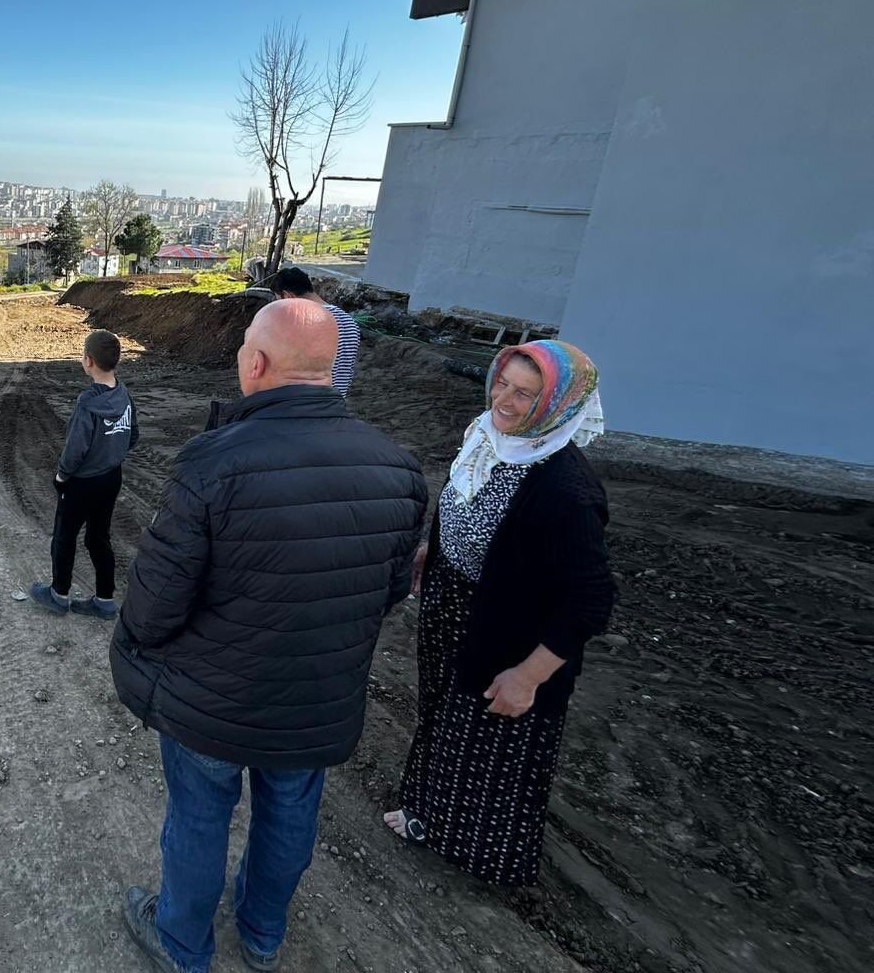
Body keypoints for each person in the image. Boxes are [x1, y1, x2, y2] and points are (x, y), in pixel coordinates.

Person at [110, 299, 427, 973]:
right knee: (289, 814)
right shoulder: (400, 469)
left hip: (213, 698)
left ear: (255, 364)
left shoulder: (212, 463)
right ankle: (261, 934)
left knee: (200, 817)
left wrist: (134, 646)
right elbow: (390, 591)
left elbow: (157, 601)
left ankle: (182, 944)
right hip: (317, 696)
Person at [384, 339, 612, 887]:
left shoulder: (566, 490)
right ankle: (427, 810)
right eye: (502, 384)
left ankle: (477, 855)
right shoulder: (488, 435)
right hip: (455, 605)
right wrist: (437, 549)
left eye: (525, 394)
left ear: (557, 404)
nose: (503, 401)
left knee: (488, 739)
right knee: (443, 713)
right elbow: (465, 502)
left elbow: (591, 600)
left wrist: (529, 677)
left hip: (509, 634)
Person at [30, 329, 138, 620]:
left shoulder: (87, 403)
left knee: (64, 536)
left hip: (82, 483)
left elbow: (75, 449)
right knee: (99, 537)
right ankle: (105, 600)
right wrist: (111, 454)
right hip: (111, 478)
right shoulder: (125, 395)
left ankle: (59, 595)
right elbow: (133, 435)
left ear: (88, 361)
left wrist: (62, 475)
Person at [270, 266, 359, 397]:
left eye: (279, 301)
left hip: (308, 402)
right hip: (336, 402)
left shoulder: (304, 321)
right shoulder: (349, 321)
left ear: (288, 296)